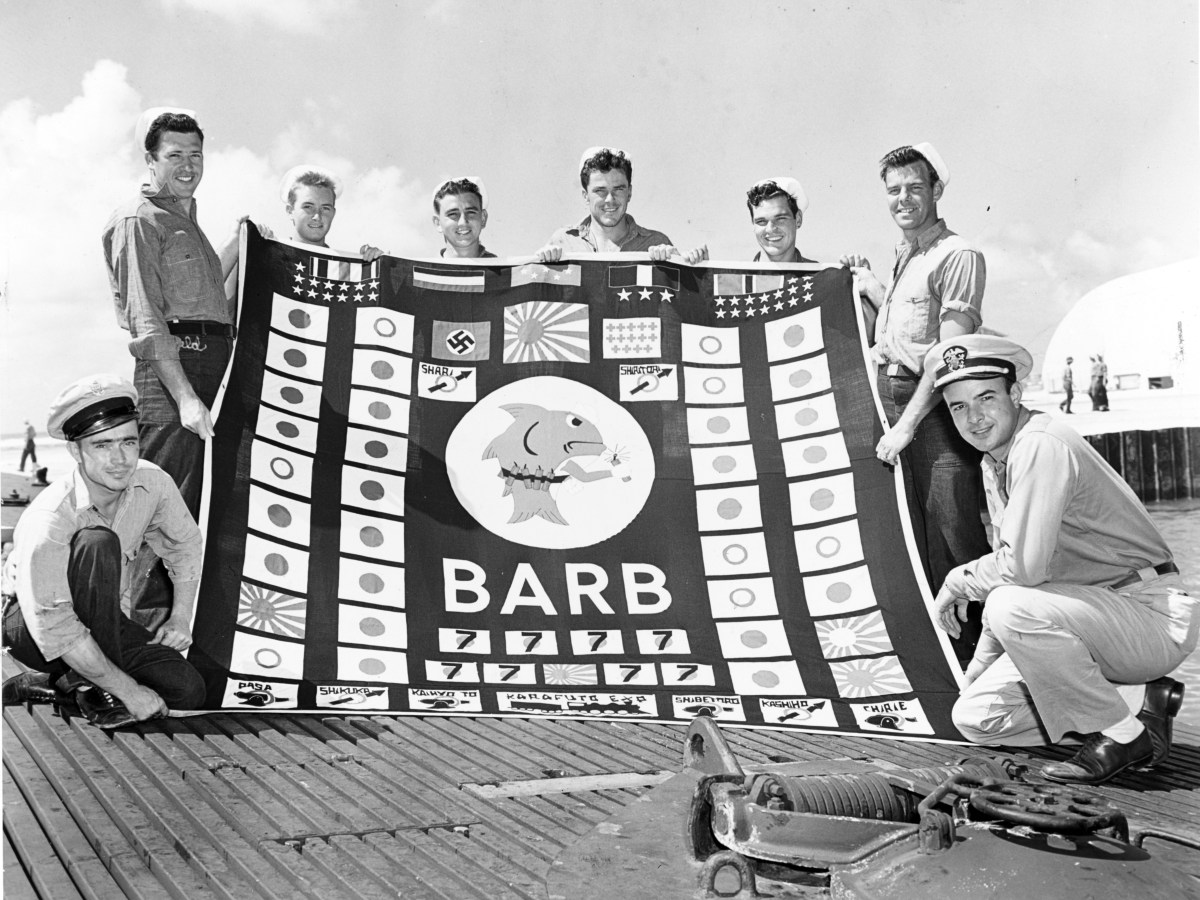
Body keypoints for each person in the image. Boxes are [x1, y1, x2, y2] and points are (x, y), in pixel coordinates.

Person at [929, 335, 1194, 784]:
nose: (974, 417)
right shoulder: (997, 461)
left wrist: (958, 581)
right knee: (976, 718)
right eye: (958, 406)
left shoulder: (1040, 444)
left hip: (1148, 615)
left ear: (1016, 393)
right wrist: (976, 675)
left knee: (1010, 605)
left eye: (986, 397)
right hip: (1087, 619)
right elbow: (1016, 581)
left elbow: (1020, 572)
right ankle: (1137, 702)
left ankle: (1122, 734)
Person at [840, 143, 991, 662]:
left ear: (936, 190)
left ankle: (989, 665)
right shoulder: (907, 254)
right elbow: (907, 335)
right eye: (894, 190)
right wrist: (875, 291)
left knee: (955, 540)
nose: (903, 199)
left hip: (935, 416)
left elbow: (948, 356)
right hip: (895, 402)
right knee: (914, 542)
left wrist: (905, 426)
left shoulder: (958, 255)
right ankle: (950, 666)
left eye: (914, 187)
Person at [1, 375, 207, 729]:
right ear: (75, 451)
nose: (119, 459)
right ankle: (87, 683)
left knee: (186, 691)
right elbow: (53, 623)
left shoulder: (152, 483)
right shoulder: (49, 517)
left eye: (128, 442)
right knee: (97, 542)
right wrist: (130, 692)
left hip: (104, 623)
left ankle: (63, 683)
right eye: (102, 445)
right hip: (32, 628)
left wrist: (180, 616)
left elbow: (184, 544)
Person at [101, 108, 243, 519]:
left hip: (212, 367)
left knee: (203, 509)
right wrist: (185, 398)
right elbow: (146, 319)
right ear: (151, 160)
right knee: (166, 514)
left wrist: (239, 241)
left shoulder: (185, 220)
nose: (188, 166)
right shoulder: (138, 219)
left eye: (195, 155)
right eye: (174, 155)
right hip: (174, 376)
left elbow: (203, 294)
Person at [536, 147, 675, 261]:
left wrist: (679, 262)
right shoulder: (563, 242)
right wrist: (543, 262)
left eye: (618, 189)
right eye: (600, 191)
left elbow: (682, 284)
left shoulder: (657, 244)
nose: (610, 199)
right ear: (585, 196)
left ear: (629, 193)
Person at [274, 165, 383, 261]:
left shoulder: (344, 268)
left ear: (333, 213)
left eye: (325, 208)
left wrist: (378, 265)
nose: (317, 216)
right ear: (290, 211)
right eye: (308, 207)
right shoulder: (272, 256)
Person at [432, 177, 496, 259]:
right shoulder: (420, 267)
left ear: (483, 218)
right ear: (438, 223)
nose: (463, 222)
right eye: (453, 214)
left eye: (471, 212)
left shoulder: (503, 266)